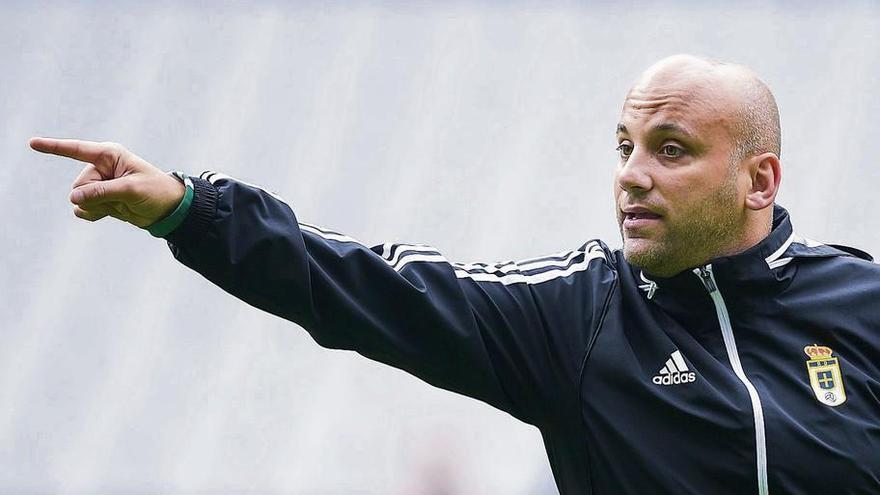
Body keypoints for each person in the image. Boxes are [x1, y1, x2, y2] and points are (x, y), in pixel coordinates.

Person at [32, 55, 880, 494]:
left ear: (758, 179)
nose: (631, 174)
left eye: (670, 150)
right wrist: (191, 208)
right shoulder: (579, 316)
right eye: (623, 148)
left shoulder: (858, 301)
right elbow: (369, 287)